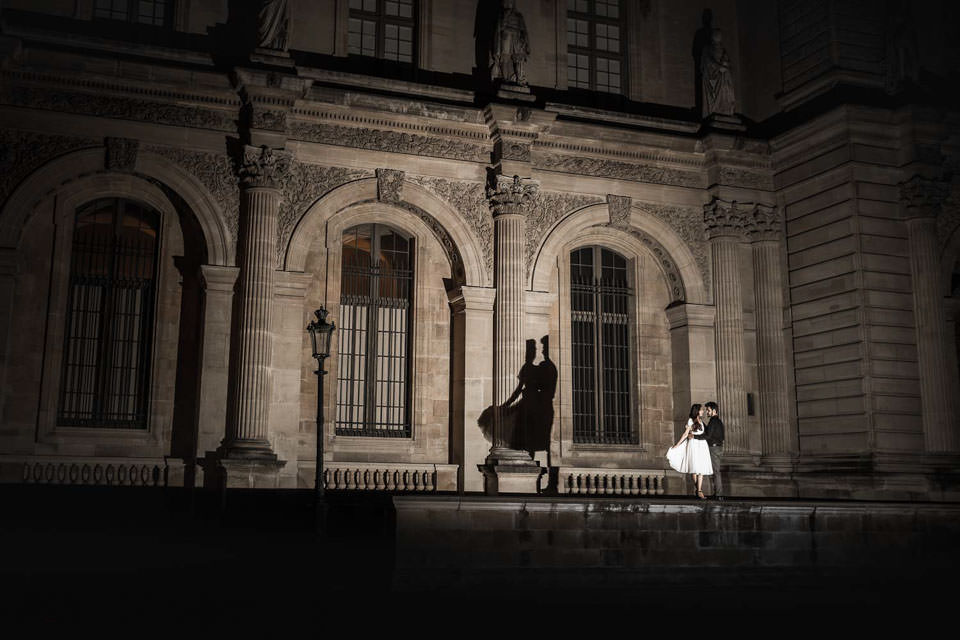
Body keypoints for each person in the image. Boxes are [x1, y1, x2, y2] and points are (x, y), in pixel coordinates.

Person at [666, 404, 713, 499]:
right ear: (697, 411)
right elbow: (685, 434)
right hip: (694, 445)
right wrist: (677, 445)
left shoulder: (701, 421)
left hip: (702, 446)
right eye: (701, 410)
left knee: (701, 468)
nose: (703, 411)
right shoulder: (691, 421)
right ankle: (699, 490)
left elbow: (706, 434)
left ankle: (698, 489)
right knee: (695, 467)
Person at [696, 401, 725, 499]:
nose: (707, 412)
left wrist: (694, 437)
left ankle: (719, 495)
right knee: (715, 471)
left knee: (716, 472)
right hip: (717, 447)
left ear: (714, 411)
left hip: (714, 448)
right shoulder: (718, 421)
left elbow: (708, 435)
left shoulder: (713, 421)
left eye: (708, 410)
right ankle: (717, 493)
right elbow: (710, 431)